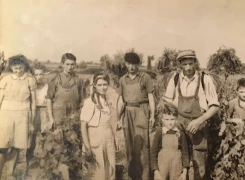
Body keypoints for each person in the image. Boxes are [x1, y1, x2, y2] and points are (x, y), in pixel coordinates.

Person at [163, 49, 220, 180]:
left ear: (195, 62)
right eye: (185, 64)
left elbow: (215, 106)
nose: (188, 68)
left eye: (190, 63)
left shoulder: (205, 79)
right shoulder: (175, 79)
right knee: (179, 162)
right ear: (180, 65)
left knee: (199, 165)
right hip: (180, 126)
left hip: (199, 128)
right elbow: (167, 103)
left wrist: (199, 121)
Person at [117, 52, 155, 180]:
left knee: (142, 145)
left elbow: (151, 97)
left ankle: (144, 177)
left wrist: (153, 115)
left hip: (141, 110)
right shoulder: (122, 79)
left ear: (137, 64)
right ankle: (131, 176)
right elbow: (120, 100)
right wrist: (118, 118)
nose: (131, 67)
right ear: (125, 64)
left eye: (134, 64)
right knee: (129, 146)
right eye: (128, 64)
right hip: (127, 111)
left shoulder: (145, 77)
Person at [45, 53, 84, 179]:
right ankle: (58, 175)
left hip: (73, 119)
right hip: (58, 117)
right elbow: (49, 99)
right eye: (67, 64)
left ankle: (73, 175)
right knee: (58, 148)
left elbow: (82, 101)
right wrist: (51, 118)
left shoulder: (78, 80)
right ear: (62, 64)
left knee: (73, 147)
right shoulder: (55, 79)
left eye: (72, 64)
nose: (70, 67)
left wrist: (78, 116)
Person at [0, 55, 36, 180]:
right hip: (6, 113)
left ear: (24, 67)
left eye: (20, 68)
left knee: (16, 146)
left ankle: (10, 173)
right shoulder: (5, 79)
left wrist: (31, 121)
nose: (18, 71)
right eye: (15, 68)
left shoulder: (30, 80)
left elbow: (33, 103)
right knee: (3, 145)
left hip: (23, 114)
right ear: (11, 67)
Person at [80, 72, 116, 180]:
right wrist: (87, 147)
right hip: (94, 140)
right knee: (96, 174)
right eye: (99, 85)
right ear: (95, 86)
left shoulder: (109, 101)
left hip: (108, 139)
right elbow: (83, 127)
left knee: (110, 171)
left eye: (105, 84)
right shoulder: (89, 102)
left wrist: (114, 139)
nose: (103, 87)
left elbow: (111, 122)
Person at [26, 63, 49, 170]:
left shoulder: (48, 86)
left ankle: (46, 166)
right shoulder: (30, 86)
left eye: (41, 74)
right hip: (34, 112)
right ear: (33, 75)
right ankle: (28, 166)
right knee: (31, 140)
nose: (39, 77)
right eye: (36, 75)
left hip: (45, 112)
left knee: (46, 138)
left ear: (44, 74)